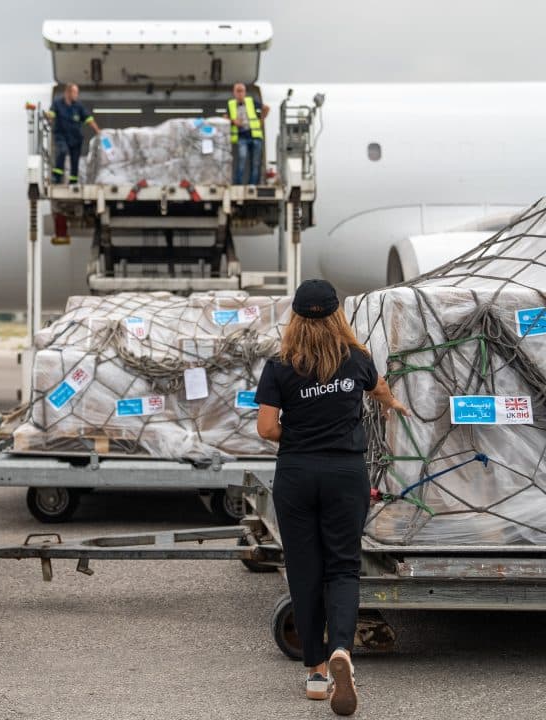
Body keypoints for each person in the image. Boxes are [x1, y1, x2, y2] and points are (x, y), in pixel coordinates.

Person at [255, 279, 409, 717]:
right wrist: (393, 403)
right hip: (345, 473)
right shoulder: (356, 359)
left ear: (297, 318)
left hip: (298, 473)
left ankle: (318, 672)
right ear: (338, 315)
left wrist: (300, 436)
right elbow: (378, 388)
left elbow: (266, 429)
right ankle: (343, 649)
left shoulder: (279, 365)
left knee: (305, 570)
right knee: (343, 567)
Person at [48, 83, 100, 184]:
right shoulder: (57, 103)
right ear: (68, 93)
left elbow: (88, 118)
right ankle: (57, 177)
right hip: (61, 135)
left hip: (75, 138)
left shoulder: (78, 106)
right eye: (75, 92)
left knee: (75, 160)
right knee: (62, 151)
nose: (77, 95)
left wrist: (97, 130)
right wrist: (49, 118)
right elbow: (51, 114)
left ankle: (73, 181)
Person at [225, 83, 269, 185]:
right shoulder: (231, 104)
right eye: (238, 91)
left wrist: (261, 120)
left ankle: (252, 184)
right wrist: (233, 121)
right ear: (234, 93)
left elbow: (266, 108)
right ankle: (238, 183)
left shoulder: (251, 102)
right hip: (241, 136)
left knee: (255, 162)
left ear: (245, 92)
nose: (240, 93)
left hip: (254, 135)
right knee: (242, 159)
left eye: (242, 91)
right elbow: (225, 117)